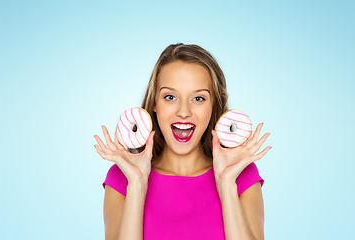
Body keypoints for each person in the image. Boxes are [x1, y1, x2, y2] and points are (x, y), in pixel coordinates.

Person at [93, 43, 272, 240]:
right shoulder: (123, 177)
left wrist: (227, 183)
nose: (184, 112)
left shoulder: (241, 174)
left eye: (198, 98)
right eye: (170, 97)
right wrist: (136, 183)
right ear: (154, 103)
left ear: (214, 105)